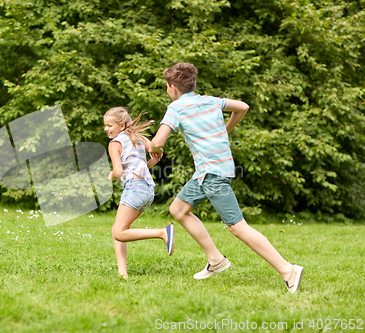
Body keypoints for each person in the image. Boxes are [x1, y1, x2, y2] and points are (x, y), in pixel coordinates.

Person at [149, 63, 304, 292]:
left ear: (172, 88)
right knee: (178, 209)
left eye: (166, 86)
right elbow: (242, 106)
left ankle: (287, 269)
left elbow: (158, 142)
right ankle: (216, 260)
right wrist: (226, 130)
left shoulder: (176, 107)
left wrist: (154, 148)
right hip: (208, 172)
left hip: (213, 174)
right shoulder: (210, 100)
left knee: (238, 227)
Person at [105, 107, 174, 279]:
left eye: (109, 125)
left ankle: (161, 233)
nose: (106, 129)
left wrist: (110, 176)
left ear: (121, 126)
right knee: (118, 229)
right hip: (147, 189)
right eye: (105, 125)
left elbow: (118, 172)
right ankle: (123, 274)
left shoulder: (115, 144)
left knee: (119, 232)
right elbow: (157, 151)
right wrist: (153, 160)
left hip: (135, 188)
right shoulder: (138, 137)